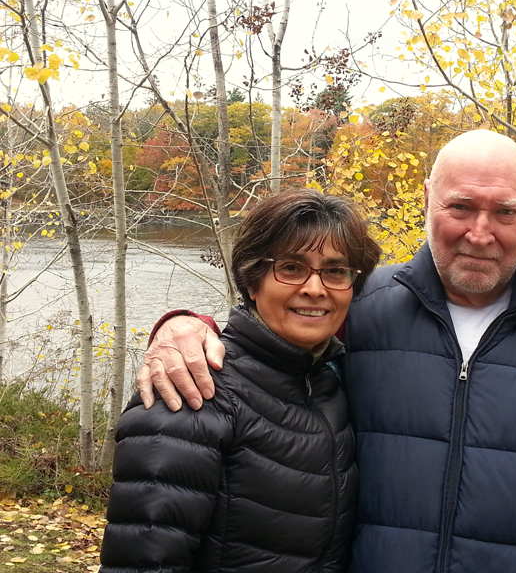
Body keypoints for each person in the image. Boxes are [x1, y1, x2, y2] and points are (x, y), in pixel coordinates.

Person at [138, 130, 516, 573]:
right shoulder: (361, 309)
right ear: (428, 198)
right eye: (460, 207)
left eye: (505, 212)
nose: (481, 233)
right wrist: (187, 323)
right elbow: (270, 342)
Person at [100, 189, 381, 573]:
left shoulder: (334, 381)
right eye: (292, 267)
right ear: (252, 281)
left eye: (335, 271)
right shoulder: (192, 388)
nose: (315, 288)